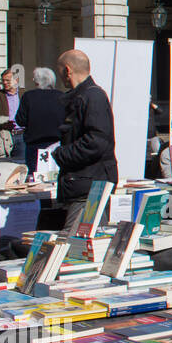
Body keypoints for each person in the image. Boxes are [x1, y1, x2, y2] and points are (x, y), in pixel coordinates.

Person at [51, 50, 118, 221]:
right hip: (84, 183)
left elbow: (96, 141)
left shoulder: (93, 96)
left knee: (77, 241)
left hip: (89, 187)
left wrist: (61, 154)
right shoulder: (85, 96)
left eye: (59, 71)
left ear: (67, 70)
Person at [15, 67, 65, 175]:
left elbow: (20, 120)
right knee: (55, 176)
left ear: (37, 82)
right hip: (57, 144)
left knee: (34, 177)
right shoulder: (62, 96)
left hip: (34, 145)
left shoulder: (29, 96)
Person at [0, 68, 24, 163]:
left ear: (16, 80)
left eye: (8, 80)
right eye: (3, 80)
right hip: (4, 136)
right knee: (3, 165)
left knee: (21, 165)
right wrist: (3, 121)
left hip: (22, 135)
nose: (5, 83)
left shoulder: (24, 95)